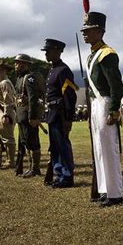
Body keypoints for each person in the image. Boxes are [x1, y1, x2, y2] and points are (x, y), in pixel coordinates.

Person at [81, 4, 123, 207]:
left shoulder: (107, 54)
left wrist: (114, 109)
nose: (84, 34)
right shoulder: (93, 55)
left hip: (106, 103)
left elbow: (117, 86)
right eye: (84, 31)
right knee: (99, 148)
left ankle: (115, 192)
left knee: (108, 148)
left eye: (88, 30)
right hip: (95, 104)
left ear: (99, 31)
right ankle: (105, 190)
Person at [41, 38, 78, 188]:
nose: (46, 54)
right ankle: (59, 174)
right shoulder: (52, 70)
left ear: (57, 51)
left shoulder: (63, 70)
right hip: (52, 113)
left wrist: (69, 117)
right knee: (55, 146)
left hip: (61, 113)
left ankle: (67, 177)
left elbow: (70, 95)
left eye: (48, 51)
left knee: (62, 145)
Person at [14, 54, 42, 178]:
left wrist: (32, 116)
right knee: (25, 141)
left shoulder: (29, 78)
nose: (16, 65)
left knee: (32, 142)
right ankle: (30, 167)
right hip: (21, 114)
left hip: (27, 114)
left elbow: (32, 98)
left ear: (25, 64)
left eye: (18, 63)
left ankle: (35, 168)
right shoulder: (19, 78)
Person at [0, 60, 17, 169]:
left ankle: (11, 161)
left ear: (5, 71)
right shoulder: (2, 83)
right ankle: (8, 160)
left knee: (8, 138)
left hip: (5, 112)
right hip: (1, 112)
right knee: (5, 138)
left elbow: (8, 100)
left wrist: (6, 115)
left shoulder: (5, 83)